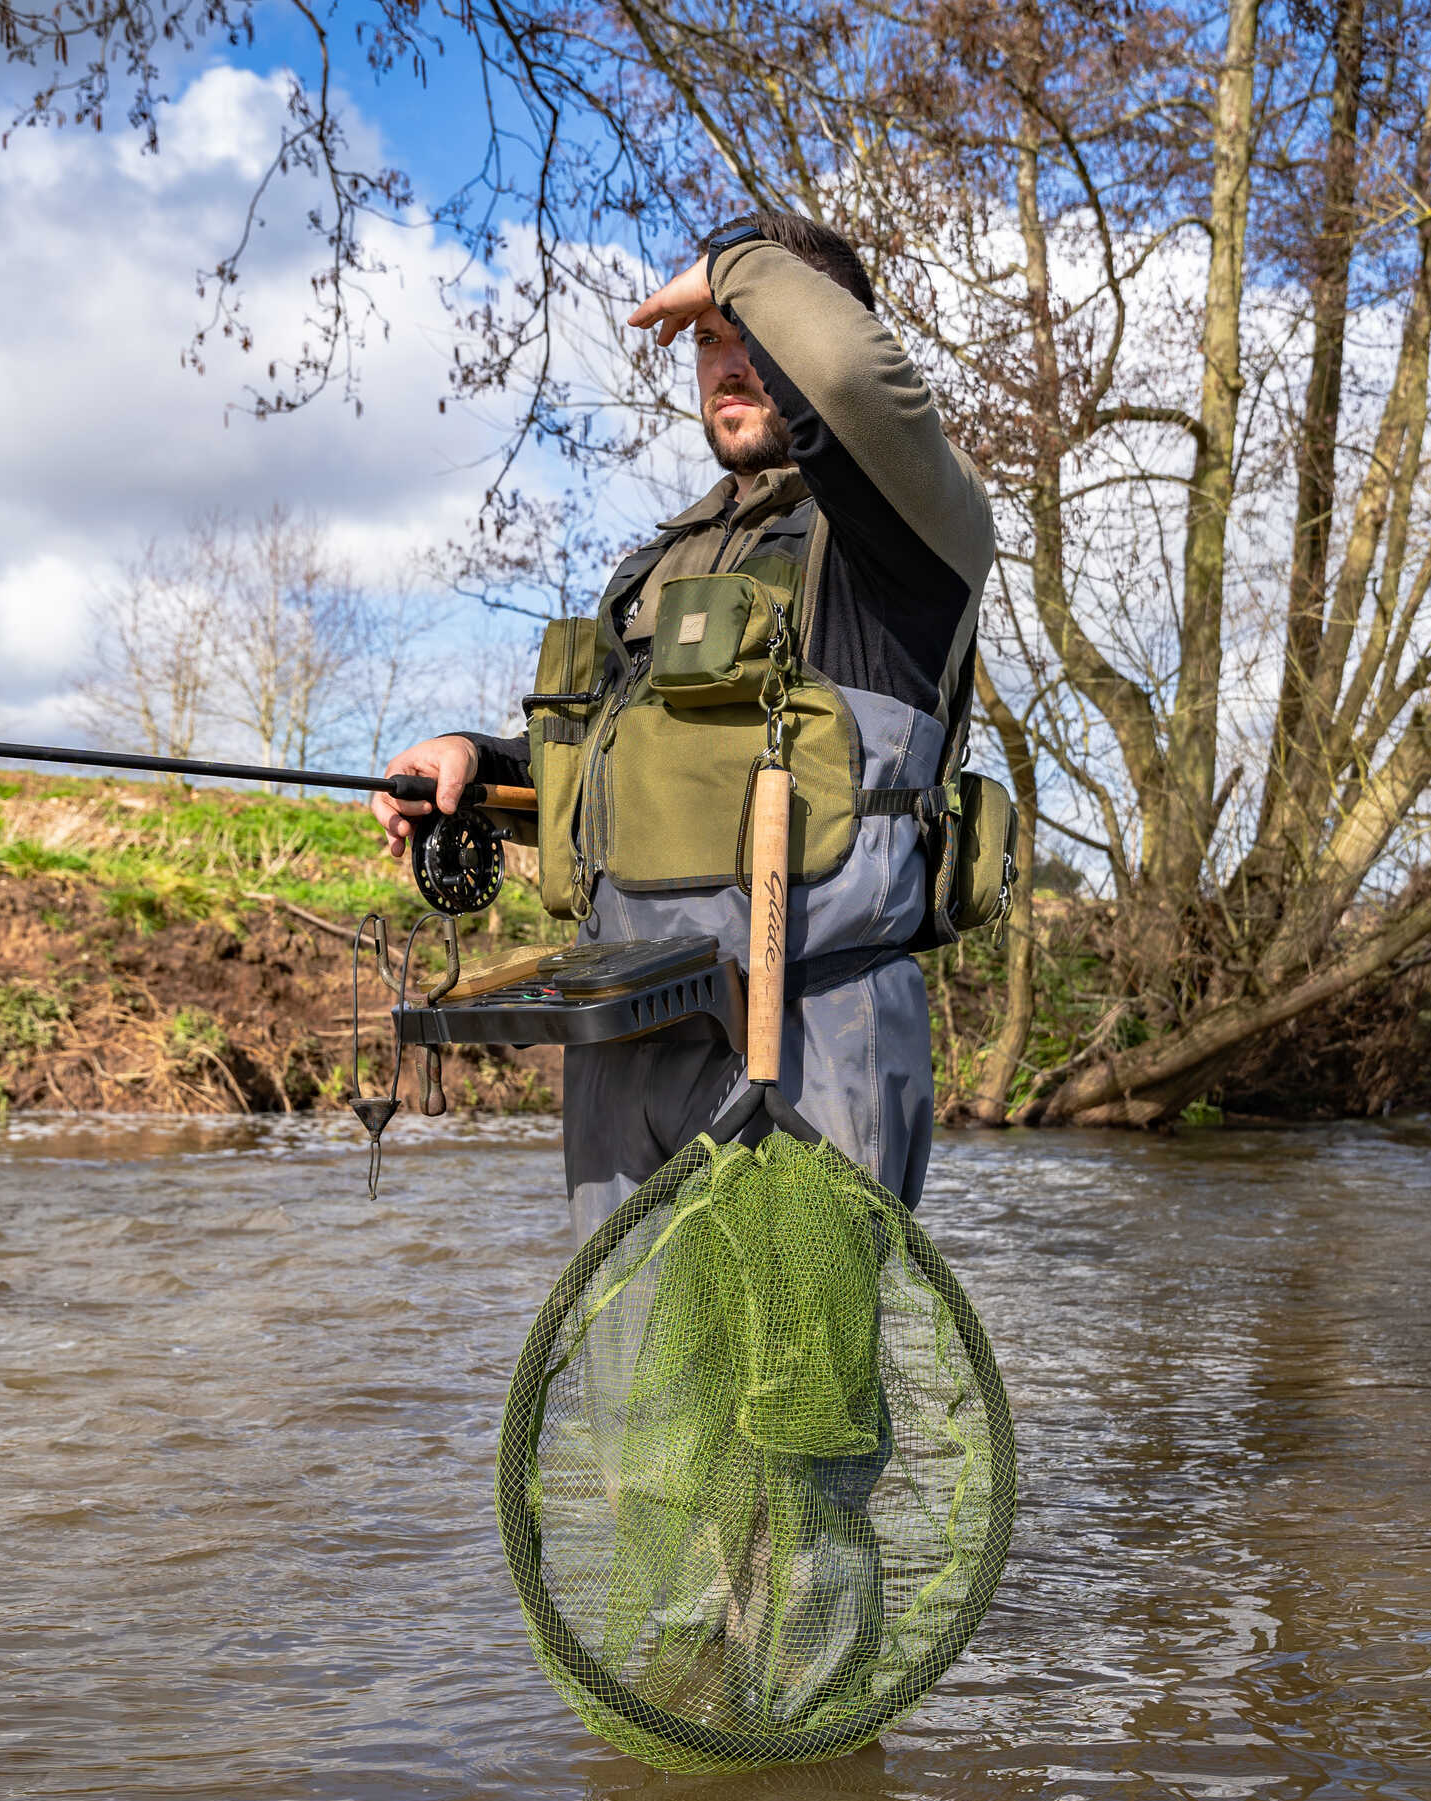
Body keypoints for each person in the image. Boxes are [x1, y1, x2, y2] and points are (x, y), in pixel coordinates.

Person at [375, 212, 995, 1238]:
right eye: (708, 338)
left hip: (808, 1036)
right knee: (627, 1392)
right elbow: (633, 770)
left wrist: (740, 271)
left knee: (793, 1395)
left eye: (749, 328)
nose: (728, 361)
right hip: (626, 1037)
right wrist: (473, 762)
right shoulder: (665, 561)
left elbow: (845, 376)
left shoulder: (908, 531)